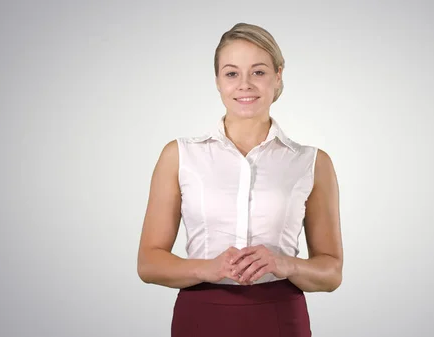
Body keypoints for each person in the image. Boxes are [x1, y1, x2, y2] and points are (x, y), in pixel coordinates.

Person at [137, 22, 343, 337]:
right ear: (218, 82)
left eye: (258, 72)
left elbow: (331, 273)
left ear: (278, 75)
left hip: (280, 317)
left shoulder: (312, 162)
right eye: (232, 73)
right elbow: (149, 263)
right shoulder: (179, 155)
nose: (244, 84)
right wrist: (210, 268)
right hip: (200, 316)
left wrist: (282, 264)